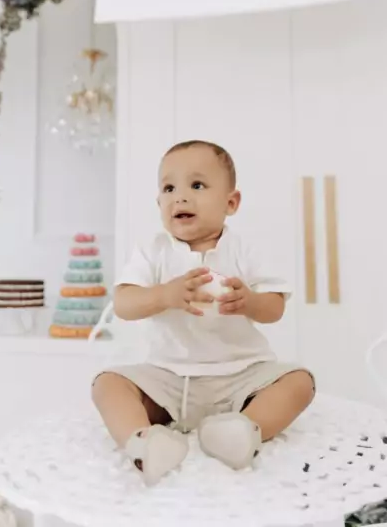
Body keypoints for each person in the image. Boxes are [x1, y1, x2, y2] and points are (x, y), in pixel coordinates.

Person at [92, 140, 314, 486]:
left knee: (300, 381)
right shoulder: (153, 251)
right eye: (169, 188)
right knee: (107, 384)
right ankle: (145, 442)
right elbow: (124, 304)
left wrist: (250, 302)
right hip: (168, 377)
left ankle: (242, 429)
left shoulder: (244, 249)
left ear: (231, 202)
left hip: (241, 375)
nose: (180, 197)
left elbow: (275, 307)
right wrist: (164, 295)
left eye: (197, 185)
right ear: (159, 203)